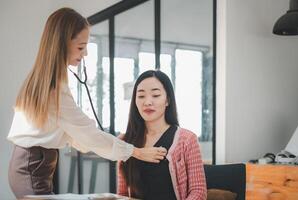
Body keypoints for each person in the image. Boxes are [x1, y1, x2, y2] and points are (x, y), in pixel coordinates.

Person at [7, 8, 166, 199]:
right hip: (34, 165)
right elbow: (86, 133)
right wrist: (136, 152)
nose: (86, 54)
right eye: (81, 47)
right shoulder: (54, 88)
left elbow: (76, 132)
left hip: (31, 164)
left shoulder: (47, 80)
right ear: (62, 44)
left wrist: (112, 146)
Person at [117, 70, 207, 200]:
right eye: (141, 96)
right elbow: (122, 194)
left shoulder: (187, 140)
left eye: (156, 95)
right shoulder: (126, 142)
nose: (147, 102)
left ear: (167, 100)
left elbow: (199, 191)